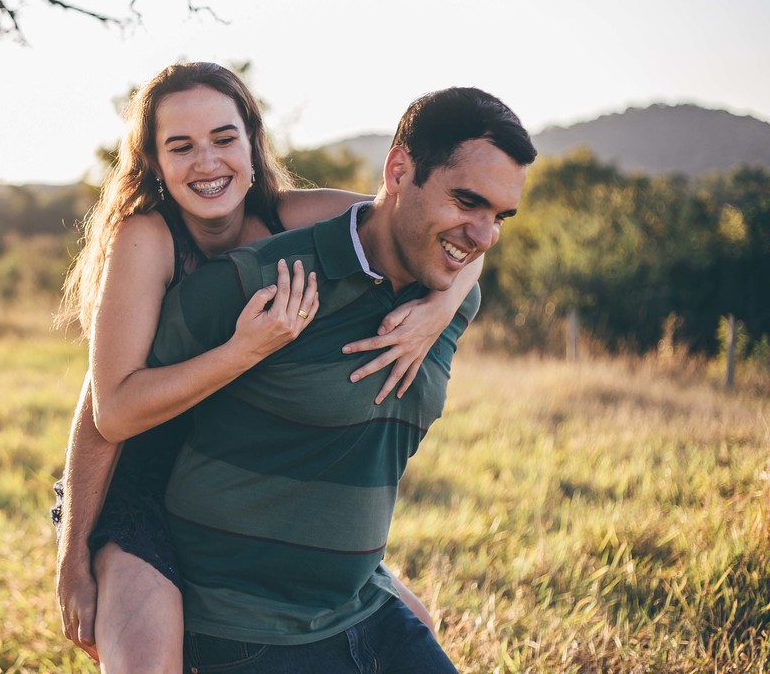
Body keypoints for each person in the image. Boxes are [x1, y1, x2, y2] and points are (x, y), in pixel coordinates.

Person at [54, 63, 484, 672]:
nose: (207, 162)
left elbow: (435, 226)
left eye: (224, 139)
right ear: (153, 162)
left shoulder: (295, 216)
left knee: (416, 623)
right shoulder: (146, 238)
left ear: (253, 145)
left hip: (239, 472)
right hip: (141, 478)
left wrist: (437, 310)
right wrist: (74, 555)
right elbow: (108, 410)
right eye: (181, 147)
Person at [147, 86, 537, 672]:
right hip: (246, 630)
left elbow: (467, 261)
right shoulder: (260, 280)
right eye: (466, 202)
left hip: (364, 609)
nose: (483, 236)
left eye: (499, 216)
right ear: (400, 170)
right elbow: (119, 403)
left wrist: (444, 301)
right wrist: (82, 547)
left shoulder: (453, 299)